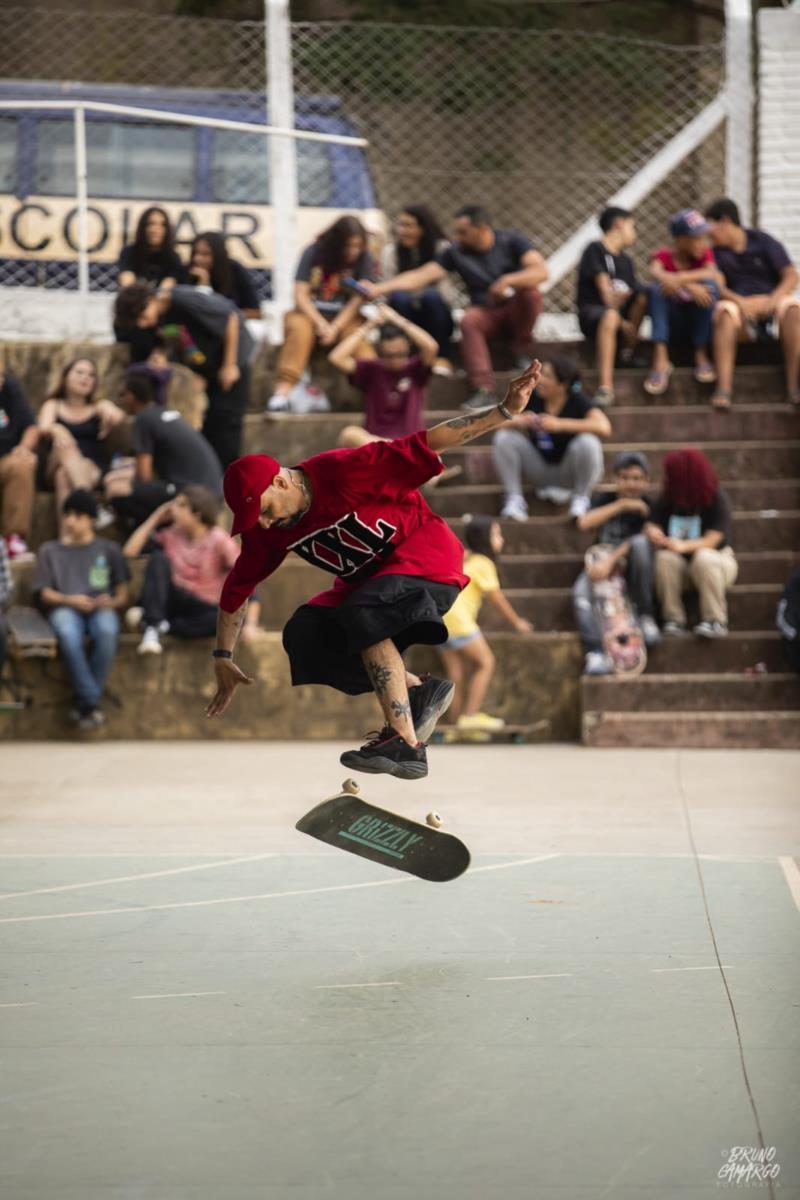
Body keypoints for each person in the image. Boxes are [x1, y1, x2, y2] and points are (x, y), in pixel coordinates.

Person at [205, 360, 545, 781]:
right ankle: (419, 690)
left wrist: (505, 410)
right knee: (305, 634)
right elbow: (237, 588)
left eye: (269, 514)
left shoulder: (347, 469)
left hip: (428, 562)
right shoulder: (269, 533)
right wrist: (222, 656)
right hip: (372, 587)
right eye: (262, 523)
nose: (269, 526)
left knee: (363, 610)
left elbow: (432, 441)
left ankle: (405, 745)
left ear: (281, 482)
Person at [363, 205, 548, 408]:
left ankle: (521, 349)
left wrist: (509, 280)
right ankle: (483, 389)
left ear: (482, 228)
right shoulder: (456, 252)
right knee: (469, 320)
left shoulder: (512, 240)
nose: (457, 236)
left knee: (532, 293)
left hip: (515, 309)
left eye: (463, 232)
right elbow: (422, 275)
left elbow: (541, 272)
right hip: (485, 311)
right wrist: (379, 288)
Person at [114, 282, 253, 470]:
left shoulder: (182, 299)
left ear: (150, 300)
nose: (141, 323)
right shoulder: (159, 318)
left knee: (226, 423)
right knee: (206, 424)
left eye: (142, 316)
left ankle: (228, 481)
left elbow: (230, 318)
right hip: (205, 365)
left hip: (232, 359)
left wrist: (230, 365)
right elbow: (179, 338)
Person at [33, 489, 129, 730]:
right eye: (68, 514)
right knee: (67, 634)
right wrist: (69, 600)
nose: (70, 520)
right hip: (65, 607)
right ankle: (90, 702)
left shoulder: (109, 550)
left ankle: (85, 703)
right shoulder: (49, 550)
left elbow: (122, 595)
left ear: (91, 519)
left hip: (100, 609)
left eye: (77, 515)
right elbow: (44, 593)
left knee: (107, 632)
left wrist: (110, 602)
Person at [266, 215, 377, 413]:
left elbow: (357, 300)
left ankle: (378, 390)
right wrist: (320, 323)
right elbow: (300, 295)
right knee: (299, 329)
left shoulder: (364, 258)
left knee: (358, 339)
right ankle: (282, 393)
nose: (353, 251)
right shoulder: (314, 252)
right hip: (310, 315)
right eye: (348, 246)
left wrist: (335, 327)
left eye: (358, 246)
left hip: (345, 318)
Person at [704, 197, 800, 408]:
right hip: (739, 309)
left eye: (710, 227)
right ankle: (724, 389)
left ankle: (794, 387)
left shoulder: (763, 241)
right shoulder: (714, 254)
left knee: (793, 309)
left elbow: (791, 276)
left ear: (725, 221)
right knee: (724, 312)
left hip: (772, 303)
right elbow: (717, 286)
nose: (708, 235)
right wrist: (741, 302)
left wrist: (772, 301)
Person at [439, 515, 532, 730]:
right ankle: (470, 716)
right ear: (484, 539)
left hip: (441, 619)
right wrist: (517, 623)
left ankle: (454, 726)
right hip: (458, 622)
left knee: (456, 674)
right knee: (486, 663)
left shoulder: (467, 560)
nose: (501, 540)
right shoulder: (483, 563)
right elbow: (496, 598)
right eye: (497, 534)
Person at [491, 355, 611, 522]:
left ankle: (581, 499)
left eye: (547, 376)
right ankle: (514, 500)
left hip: (570, 471)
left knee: (588, 443)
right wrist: (521, 421)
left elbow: (604, 427)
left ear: (563, 384)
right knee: (504, 438)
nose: (540, 380)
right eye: (541, 374)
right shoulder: (532, 398)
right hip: (540, 469)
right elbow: (494, 424)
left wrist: (560, 424)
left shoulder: (578, 400)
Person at [123, 486, 239, 656]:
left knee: (226, 621)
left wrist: (250, 621)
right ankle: (153, 627)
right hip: (174, 598)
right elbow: (129, 552)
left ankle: (162, 625)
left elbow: (245, 578)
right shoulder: (171, 534)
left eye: (181, 505)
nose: (173, 510)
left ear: (197, 513)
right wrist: (155, 518)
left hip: (202, 606)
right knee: (158, 559)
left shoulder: (220, 540)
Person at [573, 451, 660, 675]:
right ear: (615, 479)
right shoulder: (604, 499)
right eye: (625, 477)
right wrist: (622, 505)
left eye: (636, 478)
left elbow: (644, 541)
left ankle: (645, 615)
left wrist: (612, 560)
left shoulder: (652, 507)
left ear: (646, 480)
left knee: (641, 545)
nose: (631, 483)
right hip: (600, 565)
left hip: (632, 570)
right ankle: (595, 652)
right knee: (580, 594)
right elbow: (584, 523)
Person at [106, 373, 224, 530]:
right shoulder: (164, 412)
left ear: (131, 396)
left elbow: (145, 477)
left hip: (193, 493)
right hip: (211, 489)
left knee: (115, 490)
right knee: (113, 478)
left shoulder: (143, 419)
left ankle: (150, 539)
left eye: (123, 395)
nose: (121, 400)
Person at [645, 448, 737, 638]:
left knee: (703, 557)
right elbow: (652, 524)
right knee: (663, 558)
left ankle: (715, 620)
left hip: (716, 565)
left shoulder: (716, 499)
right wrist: (653, 532)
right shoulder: (667, 498)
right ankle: (673, 619)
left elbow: (713, 540)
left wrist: (681, 546)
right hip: (681, 569)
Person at [329, 302, 437, 447]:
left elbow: (431, 346)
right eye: (389, 355)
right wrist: (369, 325)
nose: (395, 360)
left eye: (401, 354)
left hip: (408, 445)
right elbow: (336, 358)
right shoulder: (372, 369)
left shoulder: (415, 368)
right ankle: (390, 448)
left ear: (408, 349)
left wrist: (397, 319)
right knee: (350, 434)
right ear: (380, 352)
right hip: (375, 446)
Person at [37, 358, 126, 534]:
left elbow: (123, 421)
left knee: (63, 476)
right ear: (66, 377)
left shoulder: (98, 406)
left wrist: (109, 408)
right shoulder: (54, 405)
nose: (85, 378)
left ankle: (67, 540)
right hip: (55, 462)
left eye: (91, 375)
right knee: (66, 446)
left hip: (91, 468)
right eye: (79, 372)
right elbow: (43, 427)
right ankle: (92, 506)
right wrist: (57, 429)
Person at [576, 206, 647, 407]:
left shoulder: (626, 261)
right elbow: (607, 297)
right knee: (610, 316)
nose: (634, 233)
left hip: (620, 320)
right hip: (594, 315)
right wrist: (622, 320)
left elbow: (635, 295)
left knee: (645, 296)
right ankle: (605, 387)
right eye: (632, 226)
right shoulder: (595, 250)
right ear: (619, 224)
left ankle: (627, 351)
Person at [644, 209, 721, 396]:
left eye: (705, 238)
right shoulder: (663, 256)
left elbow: (712, 273)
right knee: (656, 290)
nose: (703, 243)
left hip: (696, 324)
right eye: (698, 238)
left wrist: (681, 280)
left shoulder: (705, 256)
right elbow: (655, 272)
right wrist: (688, 286)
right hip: (672, 326)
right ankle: (661, 358)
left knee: (710, 287)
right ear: (680, 240)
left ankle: (701, 353)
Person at [380, 206, 455, 370]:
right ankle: (406, 354)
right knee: (400, 297)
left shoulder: (441, 248)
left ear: (423, 228)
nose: (402, 230)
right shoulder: (390, 252)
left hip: (434, 313)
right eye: (400, 225)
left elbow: (443, 292)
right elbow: (389, 292)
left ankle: (441, 356)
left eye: (408, 225)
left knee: (431, 296)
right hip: (404, 314)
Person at [0, 365, 38, 559]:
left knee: (22, 464)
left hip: (5, 458)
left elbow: (31, 427)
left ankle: (13, 540)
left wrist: (24, 448)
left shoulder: (11, 389)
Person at [188, 231, 261, 318]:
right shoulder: (188, 271)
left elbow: (256, 312)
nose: (197, 259)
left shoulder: (234, 270)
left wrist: (230, 316)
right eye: (195, 253)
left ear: (218, 255)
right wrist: (203, 284)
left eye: (205, 254)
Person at [117, 207, 185, 290]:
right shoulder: (129, 252)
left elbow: (167, 288)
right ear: (143, 227)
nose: (155, 230)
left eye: (162, 225)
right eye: (150, 224)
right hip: (134, 299)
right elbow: (127, 284)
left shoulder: (173, 258)